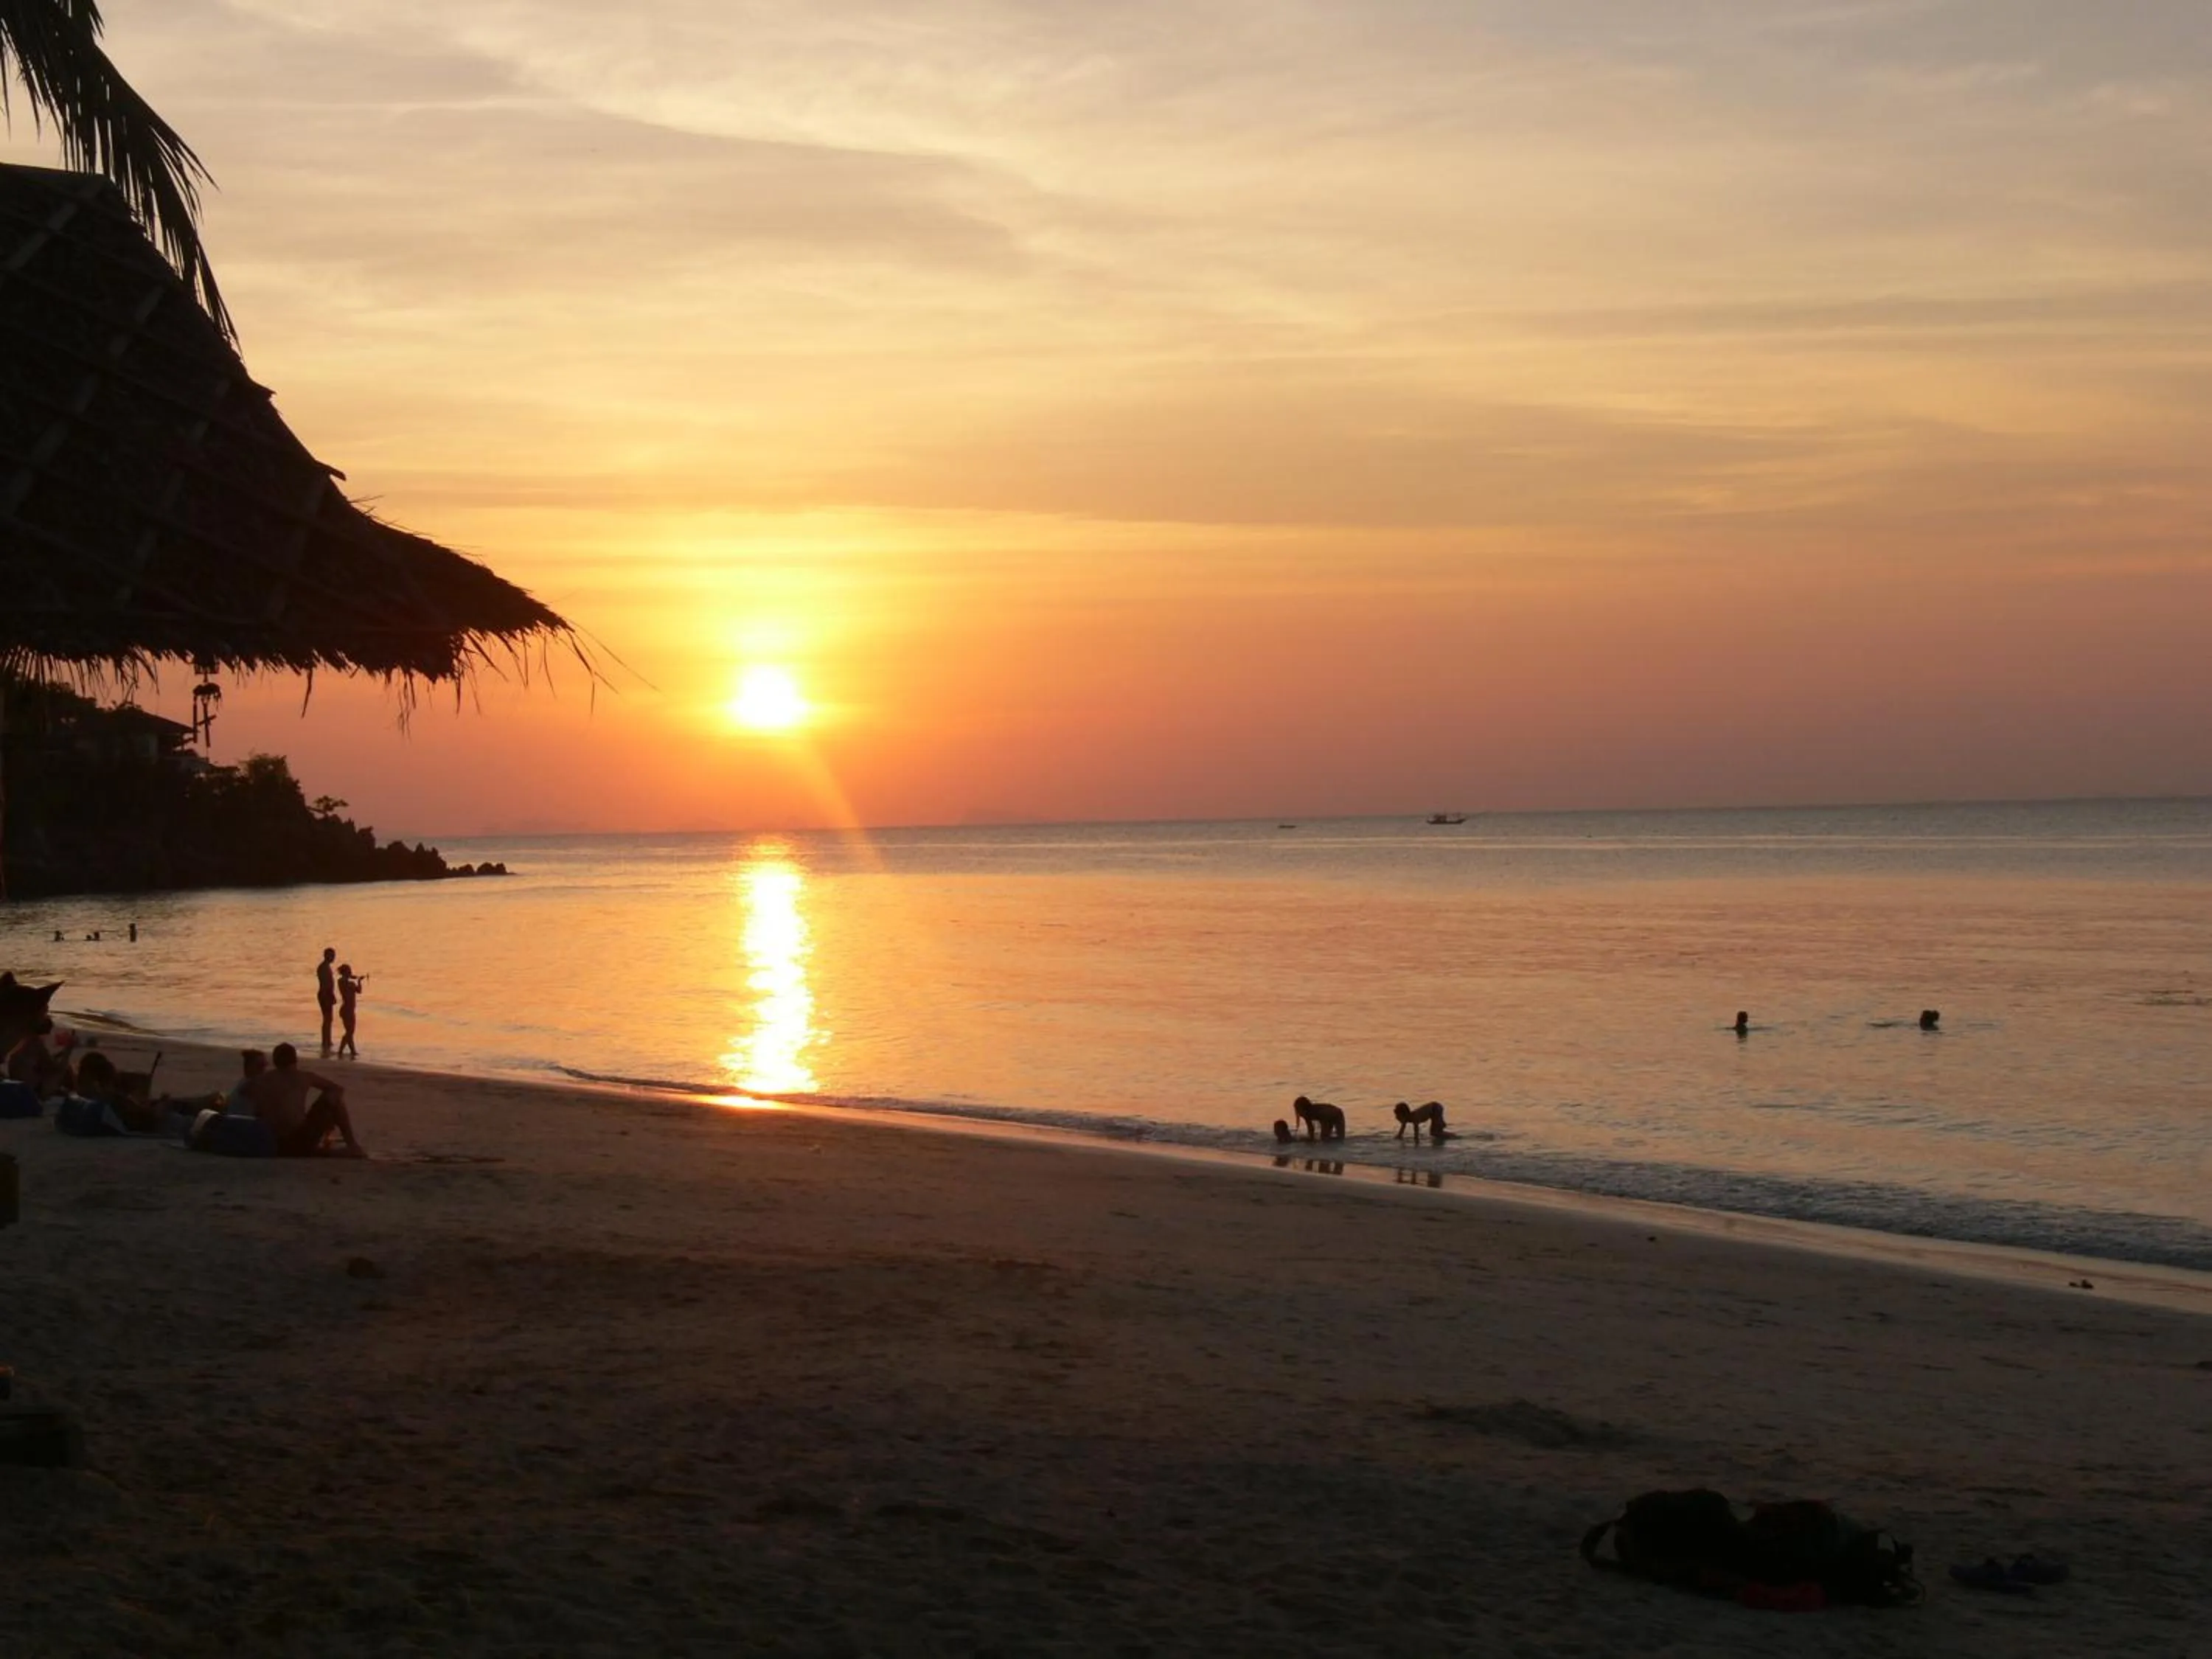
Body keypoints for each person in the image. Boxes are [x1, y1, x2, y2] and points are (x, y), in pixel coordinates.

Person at [237, 1042, 366, 1157]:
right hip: (299, 1139)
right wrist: (328, 1124)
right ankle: (352, 1145)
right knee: (334, 1098)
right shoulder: (304, 1077)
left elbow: (244, 1093)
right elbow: (337, 1090)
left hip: (273, 1143)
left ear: (275, 1062)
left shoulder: (260, 1081)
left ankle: (321, 1149)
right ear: (295, 1060)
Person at [336, 964, 367, 1058]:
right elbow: (358, 990)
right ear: (345, 972)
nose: (350, 973)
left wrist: (358, 981)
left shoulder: (345, 982)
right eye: (349, 971)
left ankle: (352, 1051)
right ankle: (341, 1050)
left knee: (350, 1031)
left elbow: (359, 991)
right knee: (350, 1032)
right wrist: (356, 980)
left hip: (348, 1010)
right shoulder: (345, 983)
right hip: (347, 1010)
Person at [316, 948, 338, 1054]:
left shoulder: (326, 967)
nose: (334, 957)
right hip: (325, 995)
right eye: (332, 955)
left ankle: (328, 1040)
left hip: (327, 994)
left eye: (334, 955)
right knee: (327, 1019)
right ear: (327, 956)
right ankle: (325, 1041)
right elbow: (325, 984)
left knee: (329, 1019)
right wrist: (328, 996)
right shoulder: (323, 968)